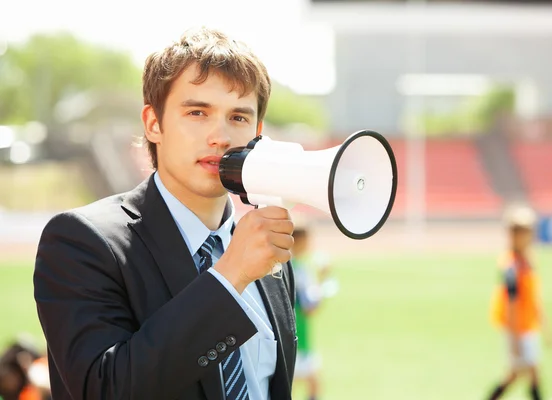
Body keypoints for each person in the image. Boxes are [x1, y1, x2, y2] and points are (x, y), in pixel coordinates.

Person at [33, 27, 297, 400]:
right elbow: (103, 390)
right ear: (153, 124)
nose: (220, 136)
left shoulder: (265, 253)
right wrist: (230, 277)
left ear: (257, 133)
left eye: (238, 118)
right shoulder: (82, 242)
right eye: (197, 112)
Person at [487, 205, 552, 400]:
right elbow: (511, 303)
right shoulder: (510, 265)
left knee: (516, 374)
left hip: (528, 325)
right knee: (529, 372)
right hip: (519, 328)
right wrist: (515, 338)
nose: (529, 235)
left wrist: (545, 325)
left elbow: (534, 296)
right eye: (524, 231)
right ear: (513, 234)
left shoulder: (529, 260)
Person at [289, 216, 336, 400]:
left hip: (293, 337)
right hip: (298, 338)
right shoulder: (298, 270)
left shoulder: (288, 266)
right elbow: (310, 307)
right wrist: (324, 280)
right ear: (299, 240)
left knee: (309, 383)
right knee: (308, 384)